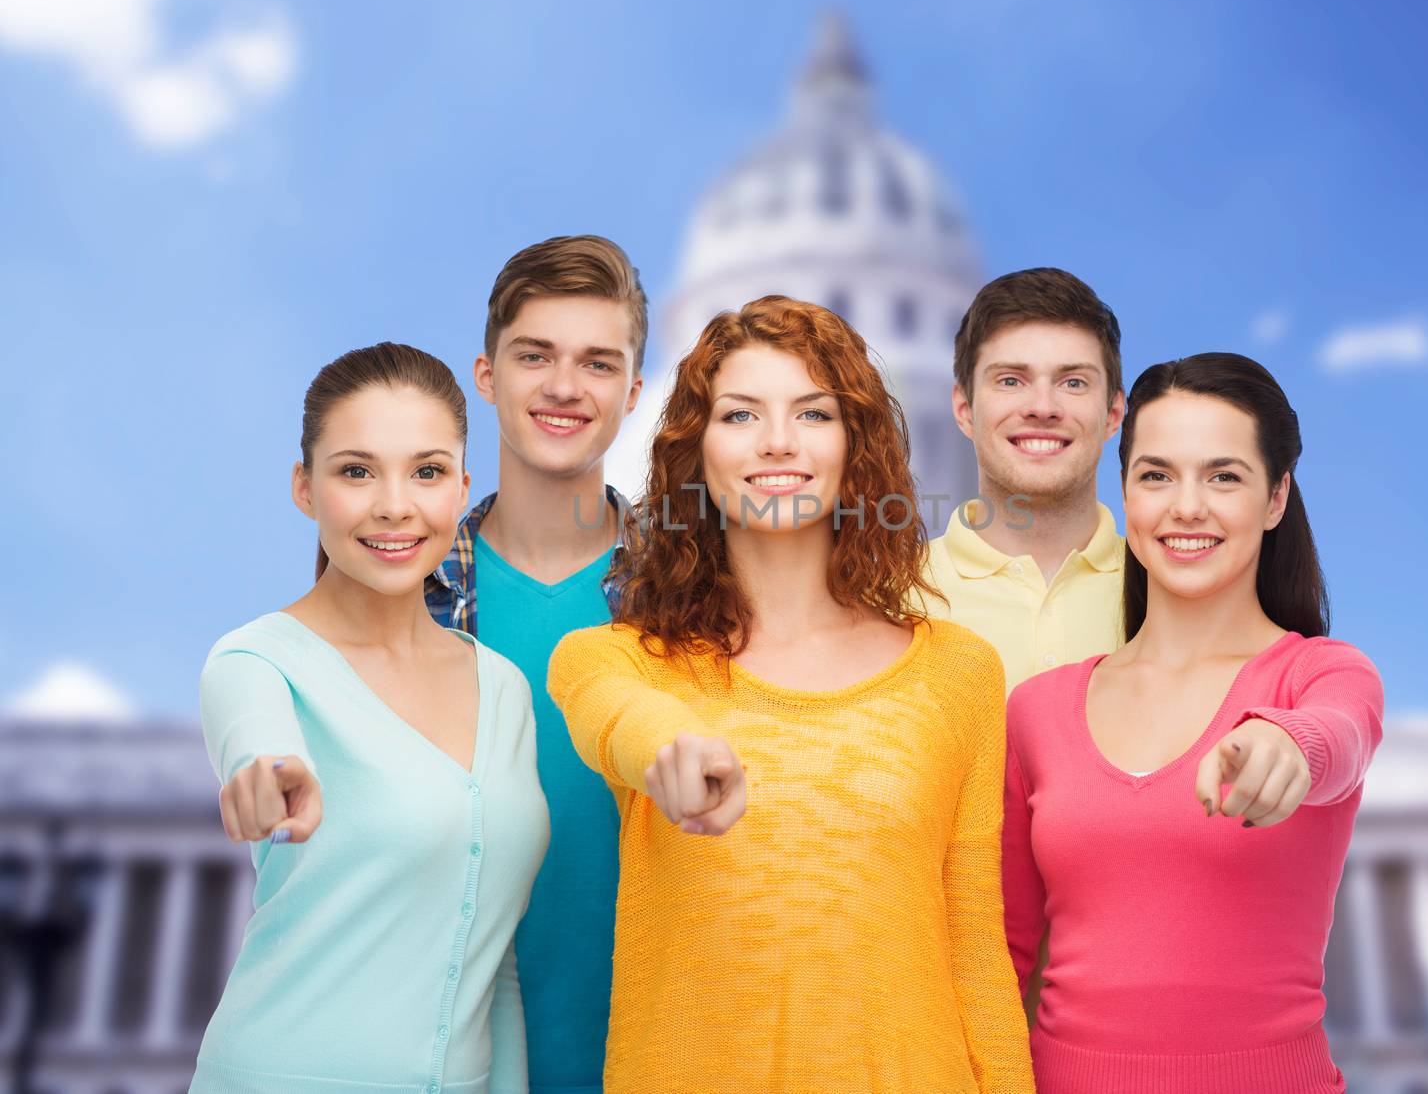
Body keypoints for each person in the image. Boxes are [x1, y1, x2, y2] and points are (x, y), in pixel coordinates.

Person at [547, 296, 1034, 1093]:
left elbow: (976, 950)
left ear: (855, 447)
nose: (778, 441)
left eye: (812, 413)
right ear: (694, 454)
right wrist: (675, 747)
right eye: (741, 415)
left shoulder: (960, 673)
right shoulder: (617, 662)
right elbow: (624, 721)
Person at [1002, 352, 1383, 1093]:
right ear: (1124, 493)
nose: (1186, 507)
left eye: (1224, 476)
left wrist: (1286, 741)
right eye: (1156, 474)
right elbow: (1003, 951)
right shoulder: (1037, 710)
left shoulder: (1319, 676)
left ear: (1276, 497)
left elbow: (1341, 734)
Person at [194, 343, 549, 1094]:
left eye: (426, 471)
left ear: (462, 487)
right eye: (356, 470)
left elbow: (495, 958)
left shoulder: (507, 689)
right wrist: (269, 776)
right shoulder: (255, 662)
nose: (395, 504)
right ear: (304, 486)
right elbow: (258, 745)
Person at [426, 235, 645, 1094]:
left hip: (655, 1053)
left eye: (597, 362)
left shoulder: (698, 595)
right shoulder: (404, 582)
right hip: (448, 1061)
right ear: (486, 375)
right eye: (535, 356)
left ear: (632, 392)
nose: (563, 386)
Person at [922, 267, 1127, 694]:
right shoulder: (886, 599)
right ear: (964, 410)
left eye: (1073, 382)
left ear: (1113, 414)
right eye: (1011, 380)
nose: (1042, 406)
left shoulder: (1172, 593)